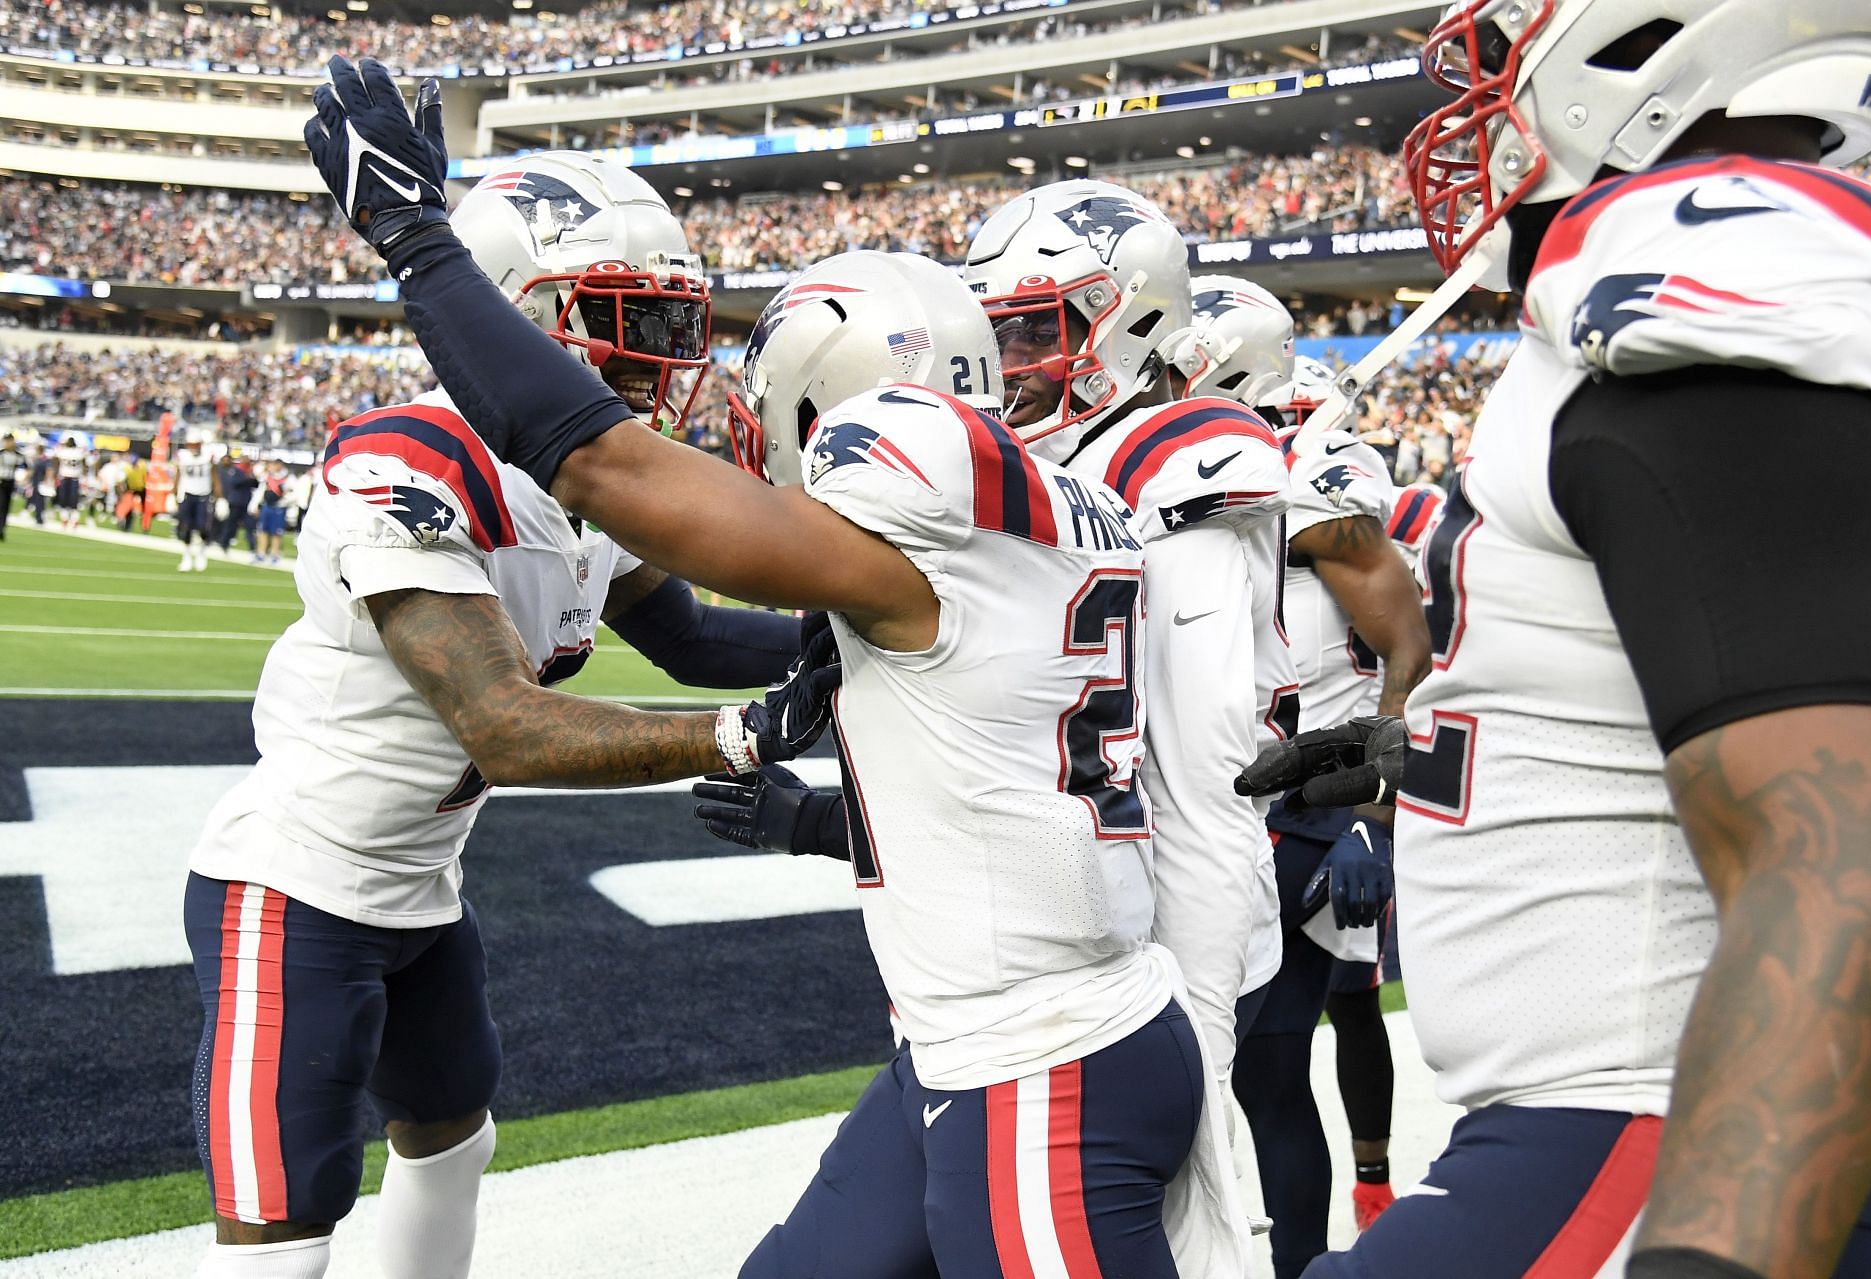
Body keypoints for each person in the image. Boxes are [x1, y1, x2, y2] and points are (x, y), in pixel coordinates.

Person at [303, 62, 1250, 1275]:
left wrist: (417, 244)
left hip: (1038, 1060)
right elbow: (926, 729)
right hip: (990, 1033)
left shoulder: (921, 507)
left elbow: (610, 473)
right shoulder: (1052, 514)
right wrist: (813, 818)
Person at [1243, 3, 1871, 1278]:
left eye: (1507, 45)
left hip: (1651, 1126)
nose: (1483, 95)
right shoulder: (1645, 319)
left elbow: (1840, 843)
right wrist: (1410, 748)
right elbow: (1683, 668)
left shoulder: (1707, 261)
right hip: (1621, 1109)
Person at [183, 148, 818, 1279]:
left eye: (673, 325)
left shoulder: (580, 481)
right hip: (296, 884)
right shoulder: (409, 461)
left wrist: (867, 643)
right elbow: (504, 726)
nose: (661, 357)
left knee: (452, 1144)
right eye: (625, 318)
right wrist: (747, 732)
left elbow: (695, 636)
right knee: (283, 1232)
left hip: (421, 889)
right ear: (519, 308)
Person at [962, 181, 1293, 1121]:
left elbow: (1204, 801)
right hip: (1066, 940)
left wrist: (1201, 1042)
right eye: (997, 337)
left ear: (1129, 321)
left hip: (1161, 949)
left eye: (1032, 332)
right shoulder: (1066, 462)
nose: (1009, 364)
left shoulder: (1174, 462)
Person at [1171, 281, 1430, 1274]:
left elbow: (1408, 641)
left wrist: (1375, 817)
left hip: (1317, 809)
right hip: (1225, 801)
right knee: (1227, 1062)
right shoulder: (1197, 466)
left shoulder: (1318, 475)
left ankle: (1321, 1242)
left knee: (1276, 1061)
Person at [173, 433, 223, 572]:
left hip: (203, 496)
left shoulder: (208, 456)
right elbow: (178, 475)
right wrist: (173, 494)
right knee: (186, 527)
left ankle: (201, 552)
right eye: (191, 445)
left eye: (196, 445)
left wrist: (221, 498)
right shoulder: (182, 456)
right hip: (187, 495)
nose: (193, 448)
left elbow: (215, 478)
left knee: (203, 527)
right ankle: (187, 555)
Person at [254, 457, 292, 563]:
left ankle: (275, 554)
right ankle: (261, 553)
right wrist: (256, 505)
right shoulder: (268, 476)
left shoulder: (287, 478)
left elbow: (292, 493)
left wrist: (284, 501)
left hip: (278, 508)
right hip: (267, 506)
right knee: (263, 530)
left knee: (276, 532)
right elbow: (260, 489)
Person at [52, 433, 85, 531]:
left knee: (64, 501)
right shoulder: (79, 452)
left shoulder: (63, 452)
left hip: (66, 477)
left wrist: (55, 473)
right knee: (73, 502)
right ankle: (72, 521)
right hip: (74, 478)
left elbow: (56, 460)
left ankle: (66, 520)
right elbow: (84, 463)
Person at [0, 433, 18, 539]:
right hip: (1, 482)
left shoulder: (17, 455)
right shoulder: (1, 454)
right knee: (1, 505)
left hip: (10, 482)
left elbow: (26, 466)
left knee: (6, 507)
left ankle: (2, 528)